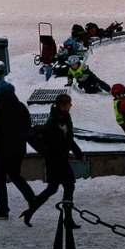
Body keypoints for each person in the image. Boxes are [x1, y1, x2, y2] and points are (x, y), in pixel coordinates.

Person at [21, 94, 84, 228]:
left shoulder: (65, 117)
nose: (70, 106)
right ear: (62, 106)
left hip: (59, 159)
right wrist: (63, 153)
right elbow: (55, 142)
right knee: (66, 186)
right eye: (68, 104)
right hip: (56, 160)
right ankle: (67, 219)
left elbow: (69, 139)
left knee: (54, 188)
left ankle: (31, 211)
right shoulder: (54, 121)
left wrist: (78, 153)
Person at [0, 81, 35, 219]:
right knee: (15, 175)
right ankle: (32, 198)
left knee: (0, 179)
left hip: (3, 150)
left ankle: (3, 209)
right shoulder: (21, 107)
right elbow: (28, 127)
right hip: (19, 149)